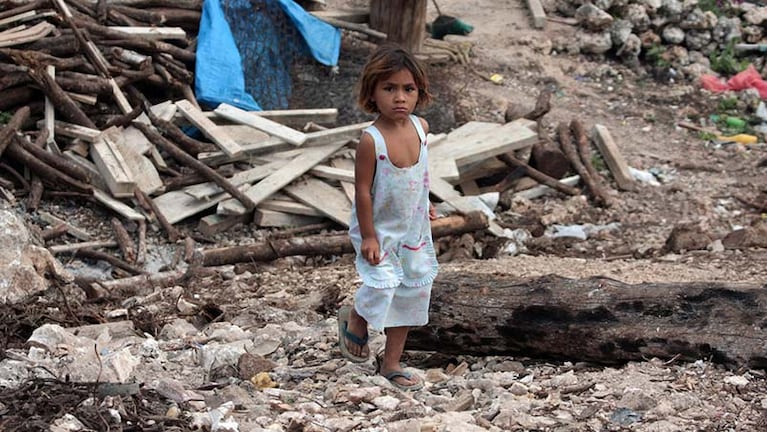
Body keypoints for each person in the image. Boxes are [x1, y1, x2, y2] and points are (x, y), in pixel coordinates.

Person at [337, 43, 439, 391]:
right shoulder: (372, 141)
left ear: (419, 92)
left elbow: (421, 174)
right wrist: (368, 236)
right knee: (381, 286)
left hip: (413, 228)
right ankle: (358, 316)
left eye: (408, 89)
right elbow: (363, 191)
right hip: (378, 228)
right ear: (372, 92)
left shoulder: (421, 128)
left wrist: (426, 202)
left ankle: (391, 363)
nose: (400, 98)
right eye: (389, 88)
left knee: (412, 291)